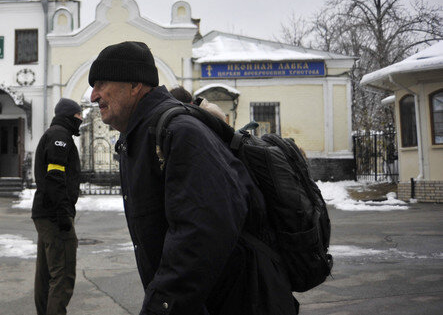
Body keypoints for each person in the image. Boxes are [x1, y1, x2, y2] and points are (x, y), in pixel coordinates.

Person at [88, 41, 298, 315]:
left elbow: (203, 232)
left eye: (102, 83)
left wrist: (162, 306)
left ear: (135, 85)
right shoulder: (139, 137)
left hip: (242, 302)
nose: (94, 96)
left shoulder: (179, 132)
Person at [31, 98, 83, 315]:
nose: (81, 121)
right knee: (62, 276)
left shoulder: (55, 133)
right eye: (79, 117)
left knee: (46, 275)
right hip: (54, 215)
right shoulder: (60, 135)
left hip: (45, 213)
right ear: (71, 116)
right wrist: (63, 213)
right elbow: (55, 175)